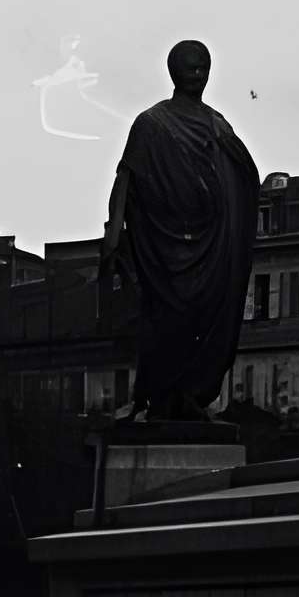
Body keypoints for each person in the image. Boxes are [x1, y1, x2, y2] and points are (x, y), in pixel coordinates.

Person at [103, 41, 258, 418]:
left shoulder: (218, 124)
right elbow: (126, 179)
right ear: (174, 71)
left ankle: (190, 395)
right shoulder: (152, 123)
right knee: (166, 319)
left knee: (207, 321)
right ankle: (158, 397)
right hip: (164, 245)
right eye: (191, 68)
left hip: (212, 240)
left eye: (204, 67)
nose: (198, 75)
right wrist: (114, 237)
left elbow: (244, 175)